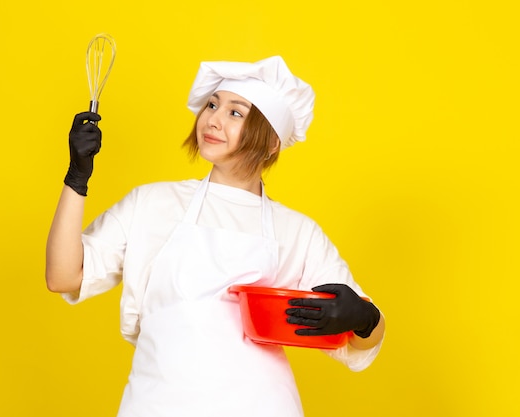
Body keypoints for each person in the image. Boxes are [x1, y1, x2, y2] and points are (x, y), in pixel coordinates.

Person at [46, 56, 385, 417]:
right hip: (158, 404)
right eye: (212, 104)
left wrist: (362, 316)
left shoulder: (298, 233)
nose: (213, 119)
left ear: (271, 142)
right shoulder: (152, 203)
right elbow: (63, 277)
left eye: (235, 113)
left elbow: (364, 342)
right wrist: (77, 178)